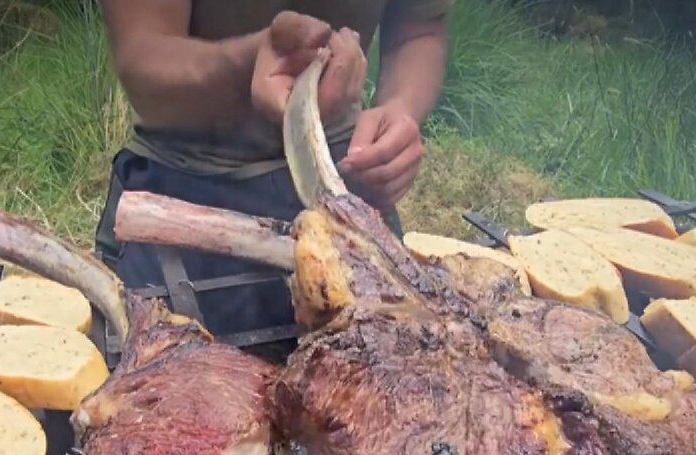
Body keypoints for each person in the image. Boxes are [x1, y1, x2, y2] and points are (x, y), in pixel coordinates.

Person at [94, 1, 452, 335]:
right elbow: (142, 55)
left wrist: (401, 109)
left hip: (344, 182)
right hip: (178, 192)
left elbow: (419, 30)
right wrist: (245, 64)